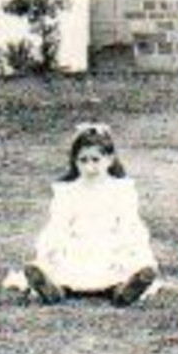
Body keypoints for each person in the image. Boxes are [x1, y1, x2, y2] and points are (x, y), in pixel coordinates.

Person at [19, 123, 159, 306]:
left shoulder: (121, 190)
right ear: (75, 161)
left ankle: (125, 291)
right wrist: (49, 251)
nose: (89, 167)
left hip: (111, 245)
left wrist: (132, 250)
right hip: (77, 246)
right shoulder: (68, 192)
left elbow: (129, 224)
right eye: (83, 160)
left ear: (109, 159)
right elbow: (58, 225)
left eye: (95, 159)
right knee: (62, 268)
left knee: (122, 268)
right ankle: (54, 290)